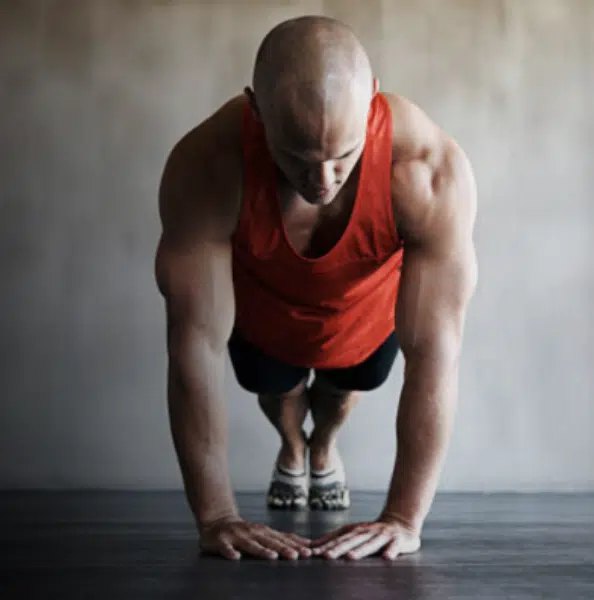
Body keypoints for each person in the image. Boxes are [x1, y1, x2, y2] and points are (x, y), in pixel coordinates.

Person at [154, 15, 477, 561]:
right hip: (262, 321)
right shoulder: (208, 167)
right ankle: (292, 444)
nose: (322, 181)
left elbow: (435, 353)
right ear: (255, 112)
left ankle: (321, 446)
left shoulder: (426, 171)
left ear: (372, 103)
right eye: (298, 160)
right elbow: (195, 347)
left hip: (366, 321)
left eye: (343, 157)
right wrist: (216, 517)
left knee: (342, 392)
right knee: (277, 391)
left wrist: (403, 518)